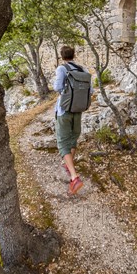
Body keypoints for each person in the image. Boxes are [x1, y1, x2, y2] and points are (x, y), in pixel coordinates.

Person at [53, 45, 86, 195]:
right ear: (74, 55)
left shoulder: (62, 69)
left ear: (62, 56)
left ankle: (74, 177)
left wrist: (65, 94)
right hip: (78, 109)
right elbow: (90, 90)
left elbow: (57, 87)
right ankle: (69, 165)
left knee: (62, 141)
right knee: (73, 138)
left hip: (64, 110)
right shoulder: (82, 70)